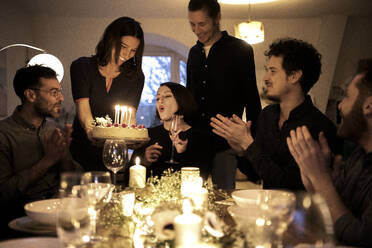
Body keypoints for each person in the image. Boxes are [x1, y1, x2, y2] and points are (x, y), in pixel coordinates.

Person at [211, 38, 342, 190]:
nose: (266, 78)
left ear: (294, 76)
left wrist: (248, 144)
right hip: (268, 208)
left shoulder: (319, 128)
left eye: (272, 71)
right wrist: (241, 151)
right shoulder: (268, 115)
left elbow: (290, 186)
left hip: (302, 212)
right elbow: (257, 174)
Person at [287, 69, 372, 247]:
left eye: (347, 96)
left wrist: (320, 179)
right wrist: (314, 183)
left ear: (368, 106)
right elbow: (332, 218)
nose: (340, 105)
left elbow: (362, 237)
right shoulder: (359, 155)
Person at [187, 0, 261, 189]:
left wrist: (254, 144)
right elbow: (189, 96)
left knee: (224, 200)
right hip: (196, 141)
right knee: (191, 197)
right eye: (192, 24)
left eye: (202, 24)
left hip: (226, 142)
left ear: (217, 18)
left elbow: (252, 99)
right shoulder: (193, 54)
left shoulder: (241, 50)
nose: (196, 30)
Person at [0, 65, 81, 239]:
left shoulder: (54, 129)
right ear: (30, 95)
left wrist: (64, 155)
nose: (61, 98)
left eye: (60, 91)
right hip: (19, 223)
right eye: (54, 92)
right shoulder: (3, 134)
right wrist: (47, 161)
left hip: (59, 215)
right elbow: (3, 193)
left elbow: (74, 181)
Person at [70, 16, 145, 172]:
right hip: (82, 149)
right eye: (123, 46)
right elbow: (84, 112)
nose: (127, 54)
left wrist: (133, 138)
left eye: (133, 50)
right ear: (110, 40)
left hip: (115, 153)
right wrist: (93, 132)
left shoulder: (135, 77)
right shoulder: (82, 67)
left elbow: (128, 118)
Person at [132, 82, 212, 180]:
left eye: (167, 96)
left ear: (182, 101)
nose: (160, 100)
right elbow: (128, 178)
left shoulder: (201, 137)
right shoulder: (146, 134)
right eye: (157, 98)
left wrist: (182, 153)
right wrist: (145, 161)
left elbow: (201, 178)